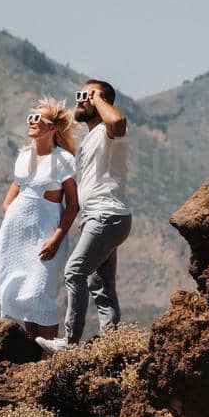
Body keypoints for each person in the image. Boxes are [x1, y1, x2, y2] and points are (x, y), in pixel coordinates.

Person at [38, 79, 131, 353]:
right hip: (97, 217)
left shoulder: (108, 130)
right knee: (99, 284)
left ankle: (70, 342)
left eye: (86, 95)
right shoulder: (91, 137)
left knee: (75, 270)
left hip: (107, 215)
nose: (80, 99)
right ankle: (113, 346)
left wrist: (98, 98)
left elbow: (119, 122)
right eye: (80, 94)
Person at [0, 98, 79, 345]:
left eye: (37, 119)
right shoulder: (23, 156)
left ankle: (48, 358)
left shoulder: (63, 159)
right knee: (21, 294)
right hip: (15, 238)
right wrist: (17, 219)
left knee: (38, 292)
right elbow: (8, 201)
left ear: (52, 127)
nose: (31, 122)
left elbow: (73, 205)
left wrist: (56, 238)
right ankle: (32, 354)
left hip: (47, 237)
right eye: (30, 117)